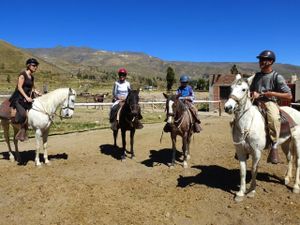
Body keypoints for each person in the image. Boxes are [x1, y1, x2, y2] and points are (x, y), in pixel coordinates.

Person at [250, 50, 292, 164]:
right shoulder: (257, 76)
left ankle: (274, 145)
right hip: (255, 101)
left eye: (264, 59)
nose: (261, 62)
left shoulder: (277, 77)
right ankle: (240, 143)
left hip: (269, 102)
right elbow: (252, 89)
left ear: (271, 61)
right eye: (260, 59)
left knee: (273, 118)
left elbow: (289, 95)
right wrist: (253, 92)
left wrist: (272, 93)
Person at [9, 58, 41, 141]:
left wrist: (37, 92)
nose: (35, 67)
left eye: (36, 66)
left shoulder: (32, 77)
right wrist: (26, 97)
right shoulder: (22, 75)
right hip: (19, 98)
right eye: (34, 65)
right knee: (23, 114)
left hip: (28, 98)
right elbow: (19, 87)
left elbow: (31, 88)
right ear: (28, 65)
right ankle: (20, 130)